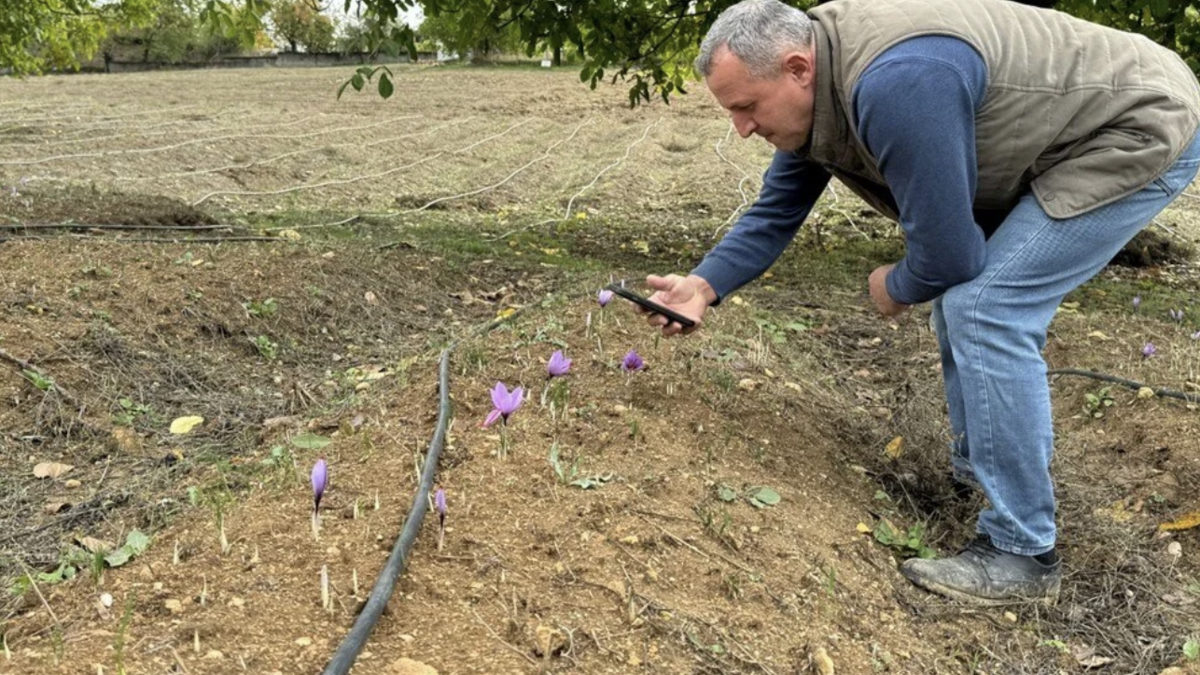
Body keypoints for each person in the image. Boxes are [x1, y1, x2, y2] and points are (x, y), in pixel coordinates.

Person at [642, 0, 1200, 605]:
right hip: (1072, 128)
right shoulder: (821, 88)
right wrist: (703, 286)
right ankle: (975, 478)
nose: (742, 128)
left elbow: (950, 256)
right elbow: (776, 212)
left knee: (986, 307)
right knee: (967, 302)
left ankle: (1023, 554)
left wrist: (895, 284)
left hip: (1136, 122)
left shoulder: (898, 82)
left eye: (746, 106)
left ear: (798, 68)